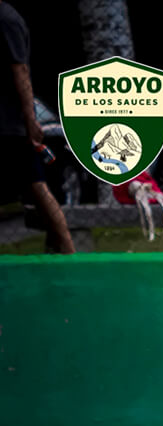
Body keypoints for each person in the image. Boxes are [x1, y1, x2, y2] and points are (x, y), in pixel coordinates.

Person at [0, 0, 74, 253]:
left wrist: (30, 121)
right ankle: (60, 246)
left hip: (8, 126)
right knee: (34, 187)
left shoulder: (5, 19)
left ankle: (67, 250)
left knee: (36, 185)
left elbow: (20, 69)